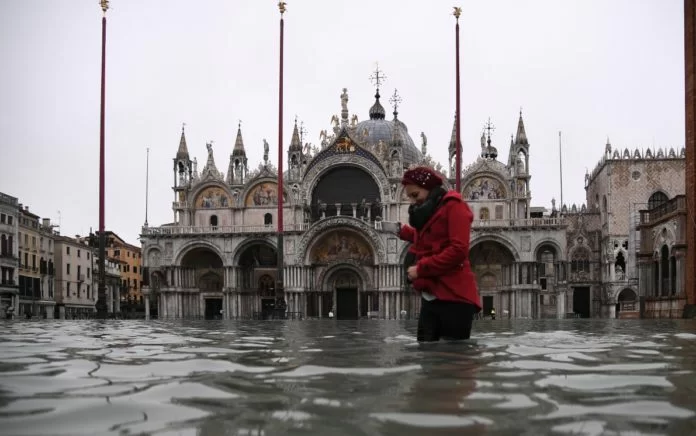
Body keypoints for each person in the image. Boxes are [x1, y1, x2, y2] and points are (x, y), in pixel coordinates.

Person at [383, 166, 481, 342]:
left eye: (415, 195)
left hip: (454, 296)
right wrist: (401, 231)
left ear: (429, 188)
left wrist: (420, 269)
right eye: (409, 197)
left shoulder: (454, 206)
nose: (413, 202)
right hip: (432, 295)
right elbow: (433, 237)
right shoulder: (431, 211)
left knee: (453, 357)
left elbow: (458, 250)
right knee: (426, 355)